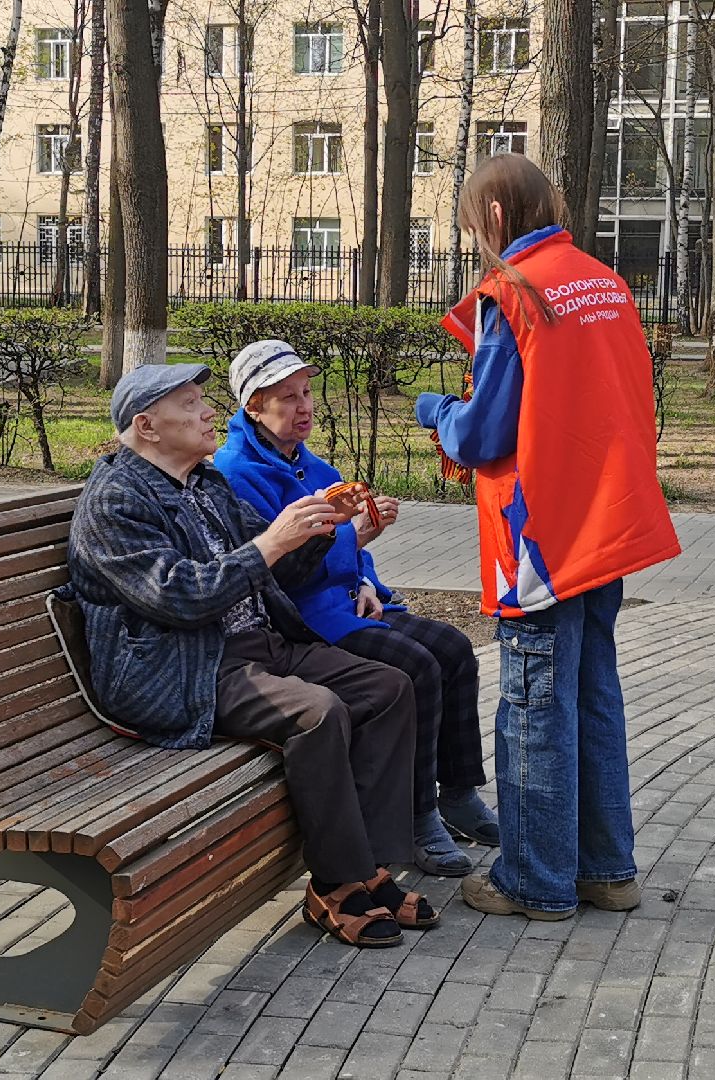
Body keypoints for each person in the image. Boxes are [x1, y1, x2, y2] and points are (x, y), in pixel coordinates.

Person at [65, 363, 434, 948]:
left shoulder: (205, 485)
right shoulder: (115, 501)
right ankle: (337, 883)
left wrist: (324, 531)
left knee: (387, 687)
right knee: (317, 711)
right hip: (179, 666)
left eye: (202, 401)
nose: (210, 412)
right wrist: (272, 540)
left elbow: (278, 568)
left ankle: (370, 865)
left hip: (252, 648)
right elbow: (177, 596)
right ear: (147, 425)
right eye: (189, 406)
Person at [414, 153, 682, 922]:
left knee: (533, 701)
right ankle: (605, 868)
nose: (474, 242)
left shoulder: (517, 292)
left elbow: (484, 433)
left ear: (493, 219)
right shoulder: (602, 281)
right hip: (608, 521)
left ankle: (532, 878)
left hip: (539, 534)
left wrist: (437, 411)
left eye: (471, 226)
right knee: (593, 693)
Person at [212, 339, 500, 878]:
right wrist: (354, 537)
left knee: (455, 648)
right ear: (252, 405)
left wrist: (368, 577)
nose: (305, 408)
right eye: (287, 398)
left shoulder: (310, 463)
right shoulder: (238, 473)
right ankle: (418, 817)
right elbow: (280, 567)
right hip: (303, 618)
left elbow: (345, 544)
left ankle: (458, 792)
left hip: (349, 603)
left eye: (307, 393)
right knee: (415, 666)